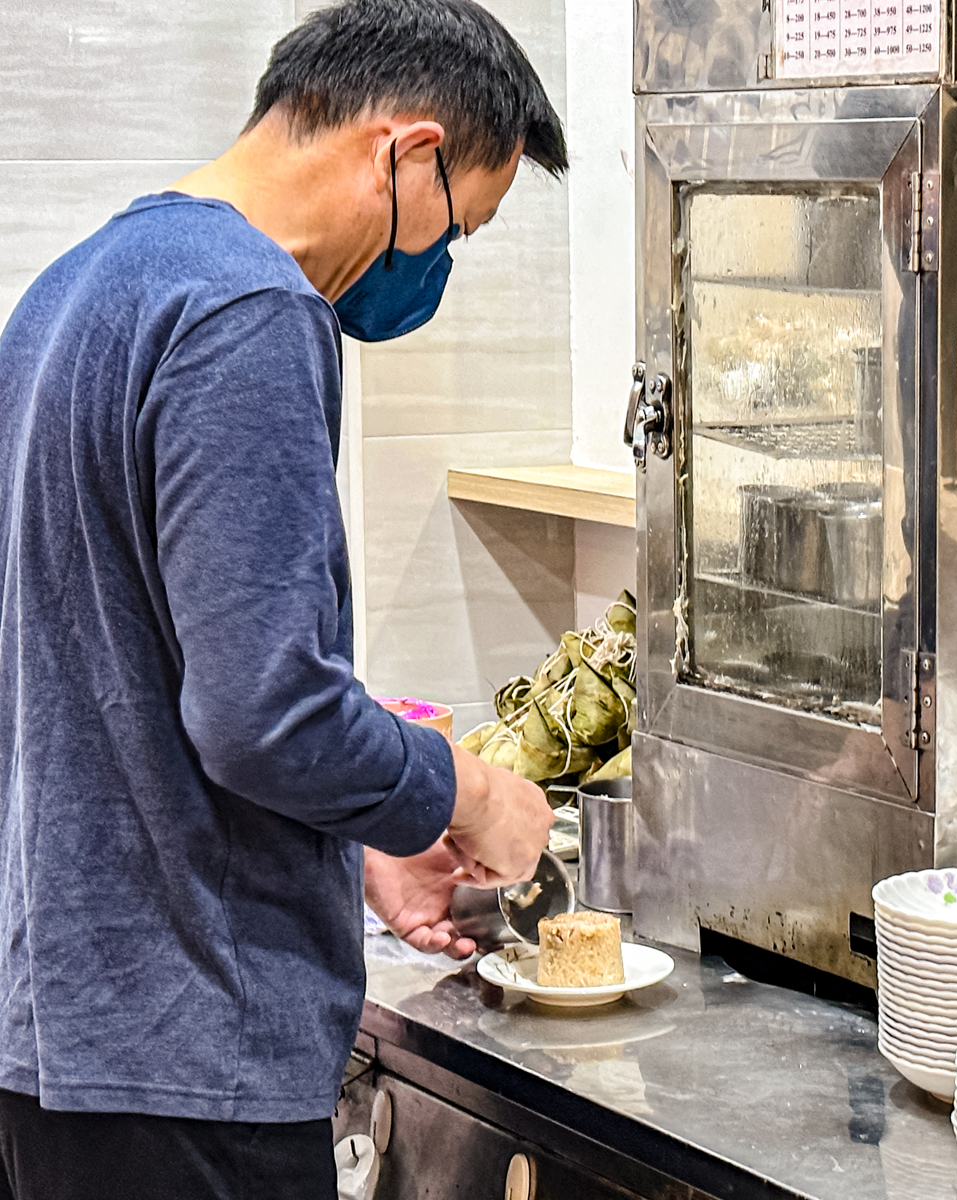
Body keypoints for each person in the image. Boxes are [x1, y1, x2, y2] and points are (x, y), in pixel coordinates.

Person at [0, 1, 567, 1195]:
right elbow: (265, 711)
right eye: (460, 225)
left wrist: (360, 836)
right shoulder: (250, 312)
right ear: (405, 153)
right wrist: (465, 791)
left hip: (63, 1033)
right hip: (189, 1049)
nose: (439, 269)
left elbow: (122, 681)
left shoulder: (81, 286)